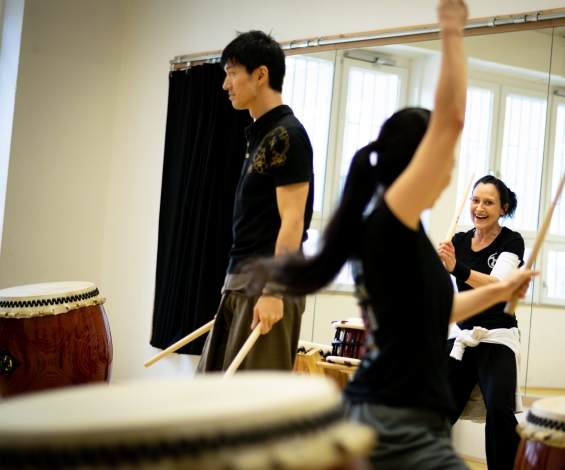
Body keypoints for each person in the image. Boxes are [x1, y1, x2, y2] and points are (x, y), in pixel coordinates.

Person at [237, 2, 537, 468]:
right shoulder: (388, 225)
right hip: (392, 415)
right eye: (444, 159)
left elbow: (437, 310)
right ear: (417, 161)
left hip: (405, 416)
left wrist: (503, 289)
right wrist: (453, 30)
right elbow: (451, 119)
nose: (450, 167)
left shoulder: (406, 233)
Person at [196, 31, 314, 373]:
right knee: (212, 400)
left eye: (232, 72)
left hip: (269, 282)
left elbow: (293, 222)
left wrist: (274, 292)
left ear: (260, 75)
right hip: (242, 281)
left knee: (250, 411)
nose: (225, 84)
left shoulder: (286, 135)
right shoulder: (260, 134)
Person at [437, 176, 524, 470]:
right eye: (475, 200)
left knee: (500, 409)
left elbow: (496, 285)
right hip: (461, 334)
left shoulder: (511, 241)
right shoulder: (458, 241)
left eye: (489, 202)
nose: (479, 207)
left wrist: (455, 268)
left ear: (503, 208)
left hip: (497, 335)